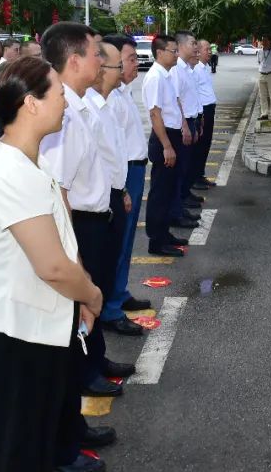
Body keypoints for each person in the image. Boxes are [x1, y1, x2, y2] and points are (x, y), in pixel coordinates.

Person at [0, 56, 106, 472]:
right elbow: (52, 266)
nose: (65, 103)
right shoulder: (13, 173)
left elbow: (61, 247)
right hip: (13, 345)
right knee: (8, 455)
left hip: (33, 337)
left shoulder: (31, 163)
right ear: (31, 104)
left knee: (29, 452)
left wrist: (80, 297)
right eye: (57, 94)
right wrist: (92, 294)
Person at [38, 24, 133, 403]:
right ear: (74, 61)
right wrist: (71, 247)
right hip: (80, 223)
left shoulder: (79, 106)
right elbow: (58, 187)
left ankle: (96, 359)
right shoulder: (61, 112)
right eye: (96, 53)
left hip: (98, 215)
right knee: (81, 302)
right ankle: (85, 374)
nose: (101, 60)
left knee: (96, 295)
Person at [84, 43, 140, 337]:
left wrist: (123, 191)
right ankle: (108, 312)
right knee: (98, 270)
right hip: (94, 205)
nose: (125, 69)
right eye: (121, 63)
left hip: (115, 191)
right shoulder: (88, 109)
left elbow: (114, 155)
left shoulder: (108, 102)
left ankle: (112, 303)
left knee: (114, 258)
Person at [100, 35, 152, 330]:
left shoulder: (123, 92)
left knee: (127, 239)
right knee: (117, 243)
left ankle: (119, 293)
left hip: (132, 170)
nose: (134, 64)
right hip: (123, 173)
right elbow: (110, 150)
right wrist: (119, 188)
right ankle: (110, 309)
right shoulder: (108, 98)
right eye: (130, 58)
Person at [141, 35, 190, 256]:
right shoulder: (155, 77)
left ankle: (164, 233)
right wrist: (167, 146)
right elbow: (155, 114)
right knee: (160, 192)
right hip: (164, 137)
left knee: (169, 189)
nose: (176, 54)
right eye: (173, 51)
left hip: (173, 135)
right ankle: (156, 241)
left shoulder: (167, 75)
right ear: (160, 52)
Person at [171, 31, 203, 229]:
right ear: (181, 45)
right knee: (179, 172)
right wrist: (185, 126)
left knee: (185, 168)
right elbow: (176, 100)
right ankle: (177, 211)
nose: (196, 47)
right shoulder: (176, 70)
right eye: (193, 43)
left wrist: (196, 123)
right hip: (183, 124)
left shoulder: (188, 69)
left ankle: (181, 205)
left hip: (191, 120)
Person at [192, 39, 219, 189]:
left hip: (209, 110)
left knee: (206, 144)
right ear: (199, 50)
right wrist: (200, 116)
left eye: (210, 49)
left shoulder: (205, 68)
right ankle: (195, 177)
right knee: (199, 146)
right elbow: (194, 94)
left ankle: (200, 175)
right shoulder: (195, 69)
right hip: (202, 112)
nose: (210, 52)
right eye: (207, 49)